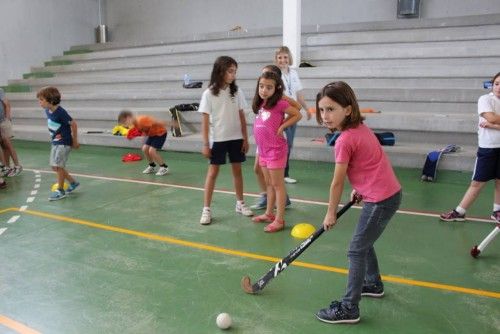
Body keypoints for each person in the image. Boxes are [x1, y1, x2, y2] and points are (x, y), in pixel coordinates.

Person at [314, 82, 401, 324]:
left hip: (381, 200)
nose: (325, 116)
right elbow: (371, 163)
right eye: (321, 110)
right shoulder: (361, 129)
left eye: (331, 109)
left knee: (356, 249)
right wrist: (361, 188)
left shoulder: (344, 140)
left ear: (348, 109)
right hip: (385, 194)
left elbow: (336, 183)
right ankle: (372, 283)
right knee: (364, 242)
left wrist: (330, 212)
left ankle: (349, 308)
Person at [198, 56, 253, 225]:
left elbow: (241, 116)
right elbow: (205, 121)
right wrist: (206, 144)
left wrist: (245, 138)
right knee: (213, 173)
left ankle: (240, 204)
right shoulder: (208, 94)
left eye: (235, 71)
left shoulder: (237, 92)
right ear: (220, 71)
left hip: (236, 138)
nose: (233, 75)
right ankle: (206, 209)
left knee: (237, 172)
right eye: (230, 71)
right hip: (218, 140)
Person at [440, 72, 500, 223]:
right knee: (477, 183)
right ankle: (460, 212)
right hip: (488, 148)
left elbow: (492, 121)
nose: (499, 87)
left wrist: (493, 126)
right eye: (497, 83)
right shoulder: (485, 99)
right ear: (492, 85)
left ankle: (497, 211)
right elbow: (491, 117)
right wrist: (492, 123)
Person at [251, 71, 301, 232]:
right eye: (261, 86)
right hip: (264, 151)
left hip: (276, 150)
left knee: (278, 185)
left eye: (269, 87)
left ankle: (279, 220)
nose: (264, 90)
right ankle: (269, 213)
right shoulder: (261, 103)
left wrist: (282, 126)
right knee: (269, 184)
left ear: (276, 88)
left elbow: (297, 114)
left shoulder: (280, 103)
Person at [37, 86, 80, 201]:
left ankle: (60, 190)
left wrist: (74, 141)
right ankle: (73, 182)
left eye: (41, 100)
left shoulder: (61, 112)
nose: (39, 102)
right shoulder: (48, 110)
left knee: (59, 166)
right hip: (55, 142)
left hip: (64, 142)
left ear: (50, 101)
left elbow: (74, 124)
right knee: (54, 166)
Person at [275, 46, 310, 184]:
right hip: (281, 112)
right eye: (280, 57)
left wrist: (307, 109)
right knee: (282, 143)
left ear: (289, 58)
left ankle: (284, 172)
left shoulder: (294, 73)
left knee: (289, 144)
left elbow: (299, 94)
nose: (283, 60)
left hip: (293, 113)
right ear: (276, 59)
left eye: (285, 57)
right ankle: (281, 172)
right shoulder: (275, 74)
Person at [118, 111, 169, 176]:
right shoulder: (135, 124)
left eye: (124, 122)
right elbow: (144, 131)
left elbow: (154, 122)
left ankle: (164, 167)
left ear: (128, 118)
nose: (125, 125)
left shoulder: (142, 120)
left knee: (151, 151)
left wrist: (168, 123)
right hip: (152, 134)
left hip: (160, 133)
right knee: (144, 149)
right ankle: (152, 166)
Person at [0, 87, 22, 177]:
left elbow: (7, 104)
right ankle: (7, 167)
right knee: (3, 145)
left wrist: (7, 119)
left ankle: (17, 166)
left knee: (8, 144)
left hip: (3, 121)